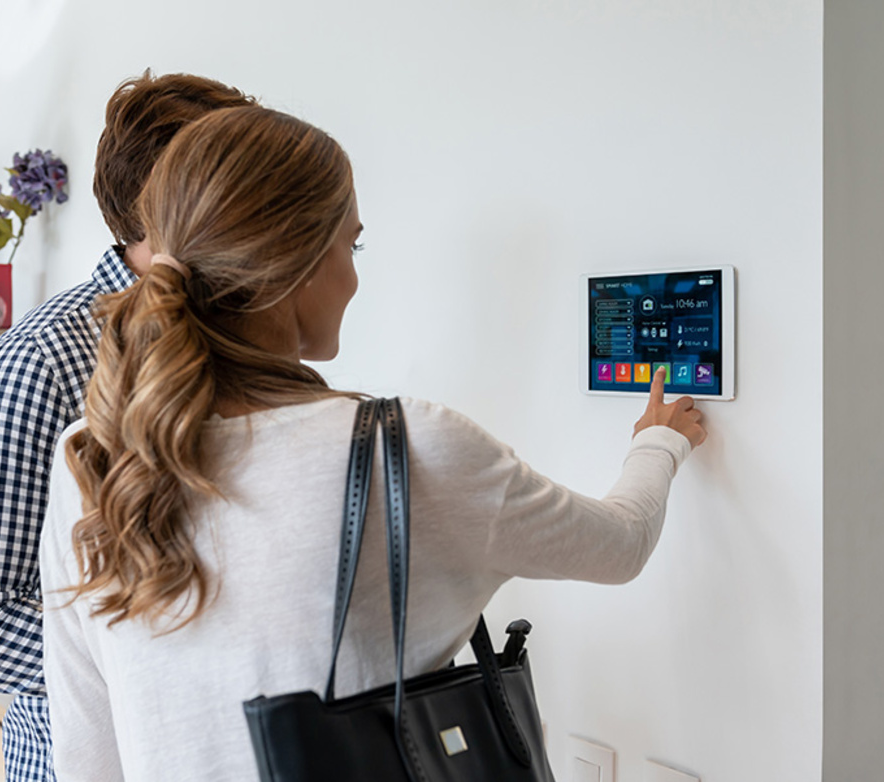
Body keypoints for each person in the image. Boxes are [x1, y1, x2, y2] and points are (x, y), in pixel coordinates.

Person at [38, 105, 708, 782]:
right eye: (350, 246)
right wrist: (658, 445)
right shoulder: (404, 448)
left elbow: (87, 745)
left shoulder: (94, 457)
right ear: (298, 262)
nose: (354, 277)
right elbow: (619, 546)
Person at [0, 72, 256, 782]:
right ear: (177, 200)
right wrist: (189, 657)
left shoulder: (240, 342)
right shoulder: (35, 366)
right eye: (242, 178)